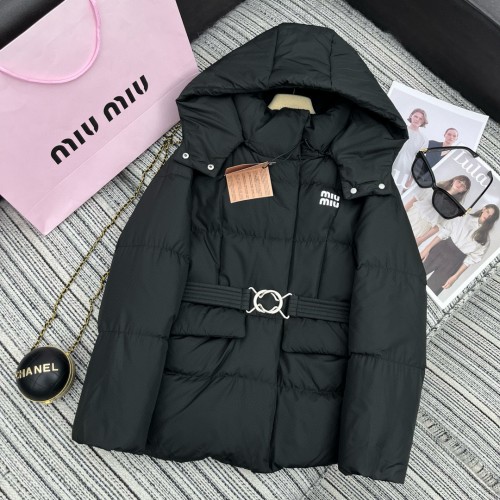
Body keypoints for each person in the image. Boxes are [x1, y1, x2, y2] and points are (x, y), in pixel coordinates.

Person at [420, 204, 499, 296]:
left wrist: (455, 277)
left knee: (431, 291)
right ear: (483, 209)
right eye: (487, 212)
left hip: (454, 262)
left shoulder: (485, 240)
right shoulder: (465, 217)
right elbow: (444, 232)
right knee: (415, 273)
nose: (487, 216)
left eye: (491, 216)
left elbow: (470, 260)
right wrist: (427, 248)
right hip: (440, 249)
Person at [404, 175, 471, 246]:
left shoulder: (455, 208)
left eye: (463, 185)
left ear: (464, 190)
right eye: (459, 181)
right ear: (454, 180)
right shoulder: (435, 188)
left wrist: (421, 240)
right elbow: (414, 200)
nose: (459, 185)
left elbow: (438, 226)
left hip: (422, 227)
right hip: (411, 215)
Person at [392, 108, 428, 194]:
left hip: (405, 171)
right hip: (390, 164)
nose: (417, 119)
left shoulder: (424, 140)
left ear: (423, 121)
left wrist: (410, 180)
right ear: (411, 116)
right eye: (416, 116)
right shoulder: (400, 129)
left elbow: (420, 161)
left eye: (421, 118)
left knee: (395, 193)